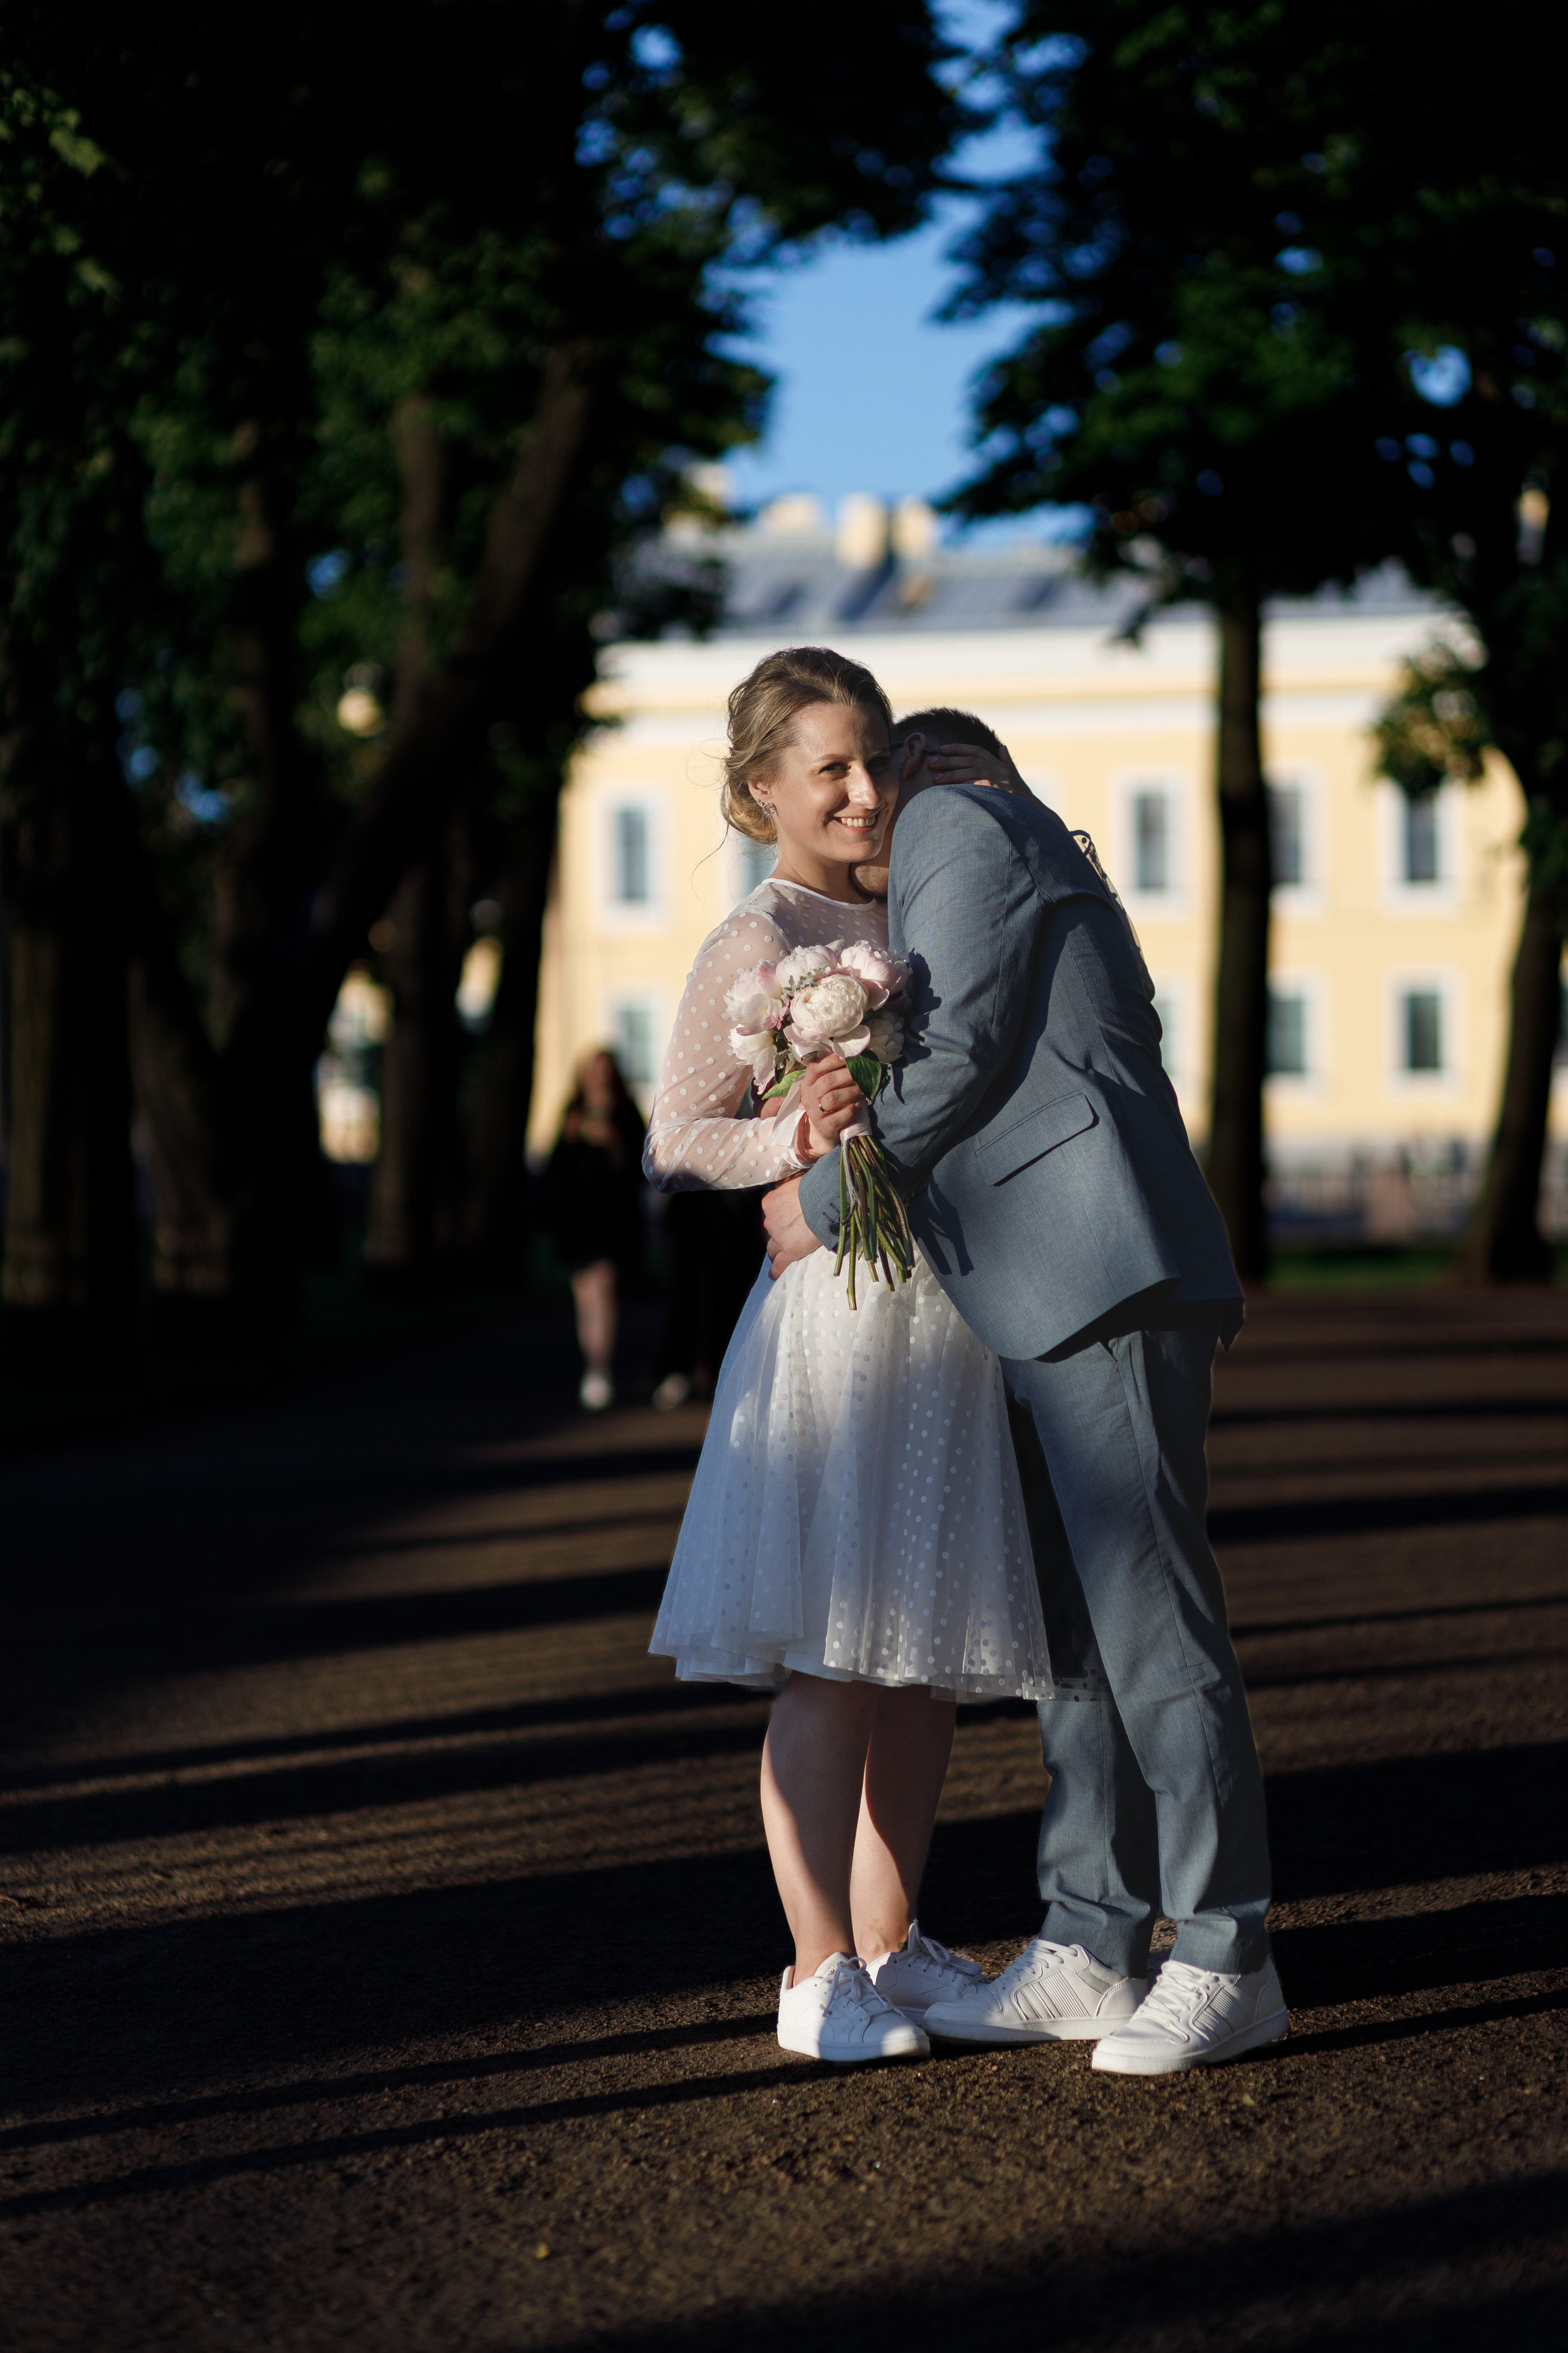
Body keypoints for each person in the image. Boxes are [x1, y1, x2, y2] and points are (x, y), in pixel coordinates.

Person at [764, 712, 1286, 2076]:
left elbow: (959, 1047)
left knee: (1147, 1621)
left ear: (933, 766)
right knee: (1075, 1634)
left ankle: (1227, 1949)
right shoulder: (1016, 842)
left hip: (1094, 1268)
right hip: (1059, 1273)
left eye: (883, 772)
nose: (867, 808)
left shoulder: (962, 821)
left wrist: (818, 1203)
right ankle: (1090, 1941)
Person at [643, 646, 1053, 2066]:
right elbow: (678, 1132)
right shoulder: (750, 942)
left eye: (875, 756)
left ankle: (895, 1941)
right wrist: (793, 1141)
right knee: (832, 1652)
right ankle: (813, 1967)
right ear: (761, 790)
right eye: (830, 767)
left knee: (919, 1656)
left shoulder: (926, 904)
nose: (866, 789)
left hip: (941, 1315)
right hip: (830, 1323)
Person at [541, 1047, 647, 1413]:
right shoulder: (572, 1113)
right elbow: (555, 1169)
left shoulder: (625, 1113)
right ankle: (593, 1366)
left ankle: (600, 1368)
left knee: (602, 1288)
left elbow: (642, 1162)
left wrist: (613, 1142)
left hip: (612, 1222)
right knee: (585, 1297)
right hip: (577, 1223)